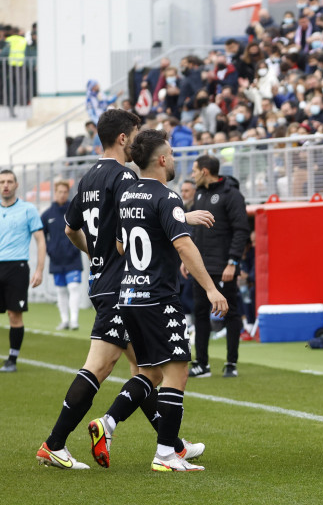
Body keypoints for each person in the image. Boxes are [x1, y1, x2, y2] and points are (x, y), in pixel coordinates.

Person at [36, 110, 210, 470]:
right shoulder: (126, 178)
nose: (136, 142)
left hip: (103, 282)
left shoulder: (86, 178)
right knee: (112, 366)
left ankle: (170, 444)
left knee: (145, 369)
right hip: (127, 284)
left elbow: (71, 231)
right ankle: (61, 441)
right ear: (122, 138)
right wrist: (182, 217)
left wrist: (95, 253)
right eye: (134, 134)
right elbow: (143, 215)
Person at [108, 129, 228, 472]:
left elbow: (120, 246)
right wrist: (210, 289)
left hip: (129, 295)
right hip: (158, 296)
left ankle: (109, 422)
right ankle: (165, 454)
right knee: (177, 372)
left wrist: (172, 220)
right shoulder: (167, 196)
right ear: (161, 159)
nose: (175, 159)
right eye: (172, 154)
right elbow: (184, 246)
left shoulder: (127, 195)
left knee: (148, 372)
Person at [0, 170, 45, 374]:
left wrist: (39, 269)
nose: (6, 185)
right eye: (2, 182)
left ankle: (12, 359)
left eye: (9, 181)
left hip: (17, 267)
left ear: (16, 185)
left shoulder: (28, 209)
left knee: (15, 316)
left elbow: (40, 240)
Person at [186, 155, 249, 379]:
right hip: (201, 266)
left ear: (204, 171)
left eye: (194, 171)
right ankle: (201, 364)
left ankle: (231, 362)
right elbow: (197, 231)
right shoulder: (200, 194)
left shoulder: (232, 195)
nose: (192, 175)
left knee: (231, 313)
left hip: (224, 268)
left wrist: (233, 262)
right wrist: (188, 259)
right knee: (201, 314)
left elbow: (241, 230)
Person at [42, 179, 84, 331]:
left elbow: (83, 231)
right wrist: (49, 250)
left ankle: (74, 320)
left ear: (68, 193)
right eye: (60, 192)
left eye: (65, 192)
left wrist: (77, 248)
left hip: (73, 258)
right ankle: (64, 320)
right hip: (56, 260)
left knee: (73, 287)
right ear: (55, 193)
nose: (62, 194)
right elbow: (41, 237)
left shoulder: (74, 211)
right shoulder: (47, 215)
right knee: (61, 290)